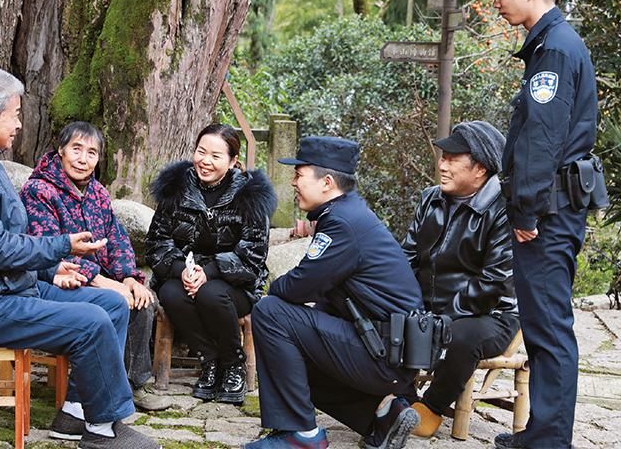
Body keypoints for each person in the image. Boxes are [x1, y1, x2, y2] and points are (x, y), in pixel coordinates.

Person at [0, 67, 158, 449]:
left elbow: (5, 240)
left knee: (111, 304)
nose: (19, 124)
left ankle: (75, 413)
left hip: (9, 287)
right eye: (14, 114)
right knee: (92, 322)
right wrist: (61, 246)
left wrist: (50, 267)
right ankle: (103, 430)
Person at [472, 0, 599, 449]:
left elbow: (542, 141)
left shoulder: (556, 50)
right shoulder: (551, 45)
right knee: (544, 325)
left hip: (548, 210)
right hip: (552, 205)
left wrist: (525, 210)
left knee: (549, 328)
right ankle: (542, 432)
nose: (496, 2)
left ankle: (549, 441)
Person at [245, 136, 423, 449]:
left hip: (382, 354)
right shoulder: (349, 214)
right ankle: (383, 415)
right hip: (390, 353)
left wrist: (274, 288)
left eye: (299, 175)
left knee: (269, 312)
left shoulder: (341, 223)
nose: (293, 182)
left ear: (326, 182)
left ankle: (299, 434)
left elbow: (299, 285)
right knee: (292, 347)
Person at [20, 121, 169, 412]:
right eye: (76, 149)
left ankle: (131, 385)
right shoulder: (38, 191)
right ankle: (100, 392)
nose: (82, 159)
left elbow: (117, 239)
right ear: (60, 150)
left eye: (91, 152)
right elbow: (49, 250)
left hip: (101, 277)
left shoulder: (98, 193)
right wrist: (102, 281)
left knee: (142, 300)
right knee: (114, 301)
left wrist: (128, 277)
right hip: (60, 280)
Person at [400, 122, 519, 437]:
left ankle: (431, 408)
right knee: (380, 313)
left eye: (452, 158)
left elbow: (493, 284)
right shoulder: (430, 199)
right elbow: (407, 259)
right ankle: (400, 398)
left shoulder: (503, 210)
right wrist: (405, 303)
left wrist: (441, 317)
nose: (441, 165)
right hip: (431, 307)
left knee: (461, 335)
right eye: (443, 157)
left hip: (491, 314)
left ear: (479, 168)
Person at [145, 123, 277, 405]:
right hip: (186, 274)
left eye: (216, 156)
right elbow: (157, 244)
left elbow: (253, 254)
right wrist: (184, 271)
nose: (205, 161)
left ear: (232, 161)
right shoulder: (176, 189)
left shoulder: (249, 196)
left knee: (211, 294)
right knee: (169, 293)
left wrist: (208, 273)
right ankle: (211, 361)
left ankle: (233, 364)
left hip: (234, 285)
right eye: (201, 152)